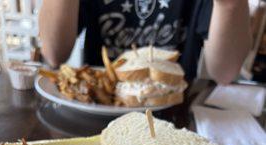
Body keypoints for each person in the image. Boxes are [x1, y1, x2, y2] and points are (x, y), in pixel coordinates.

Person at [39, 0, 252, 83]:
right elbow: (53, 53)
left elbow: (225, 73)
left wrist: (229, 6)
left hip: (175, 116)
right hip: (98, 108)